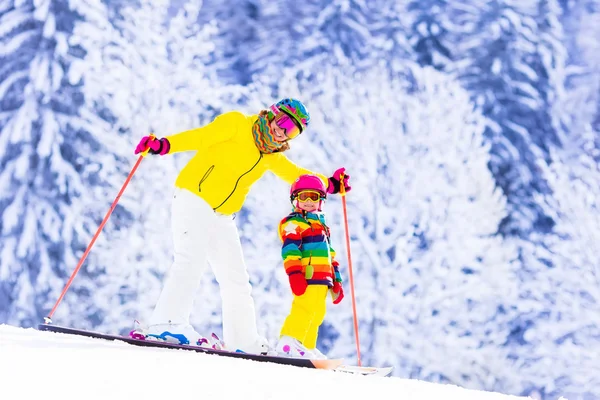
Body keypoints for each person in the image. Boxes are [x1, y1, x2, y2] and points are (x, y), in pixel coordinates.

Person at [133, 98, 351, 355]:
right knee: (190, 260)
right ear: (271, 114)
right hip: (194, 197)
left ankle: (243, 341)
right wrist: (163, 145)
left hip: (223, 216)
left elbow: (297, 174)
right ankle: (166, 323)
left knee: (236, 279)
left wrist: (332, 185)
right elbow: (200, 137)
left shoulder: (270, 155)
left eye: (291, 130)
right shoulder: (237, 124)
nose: (282, 131)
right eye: (282, 122)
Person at [275, 174, 344, 360]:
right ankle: (289, 341)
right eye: (302, 196)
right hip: (306, 276)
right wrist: (294, 274)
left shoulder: (322, 227)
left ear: (320, 201)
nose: (307, 201)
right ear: (295, 200)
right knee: (304, 308)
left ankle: (306, 346)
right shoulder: (294, 223)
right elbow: (290, 251)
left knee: (317, 313)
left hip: (323, 280)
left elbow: (331, 256)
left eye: (313, 197)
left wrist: (336, 280)